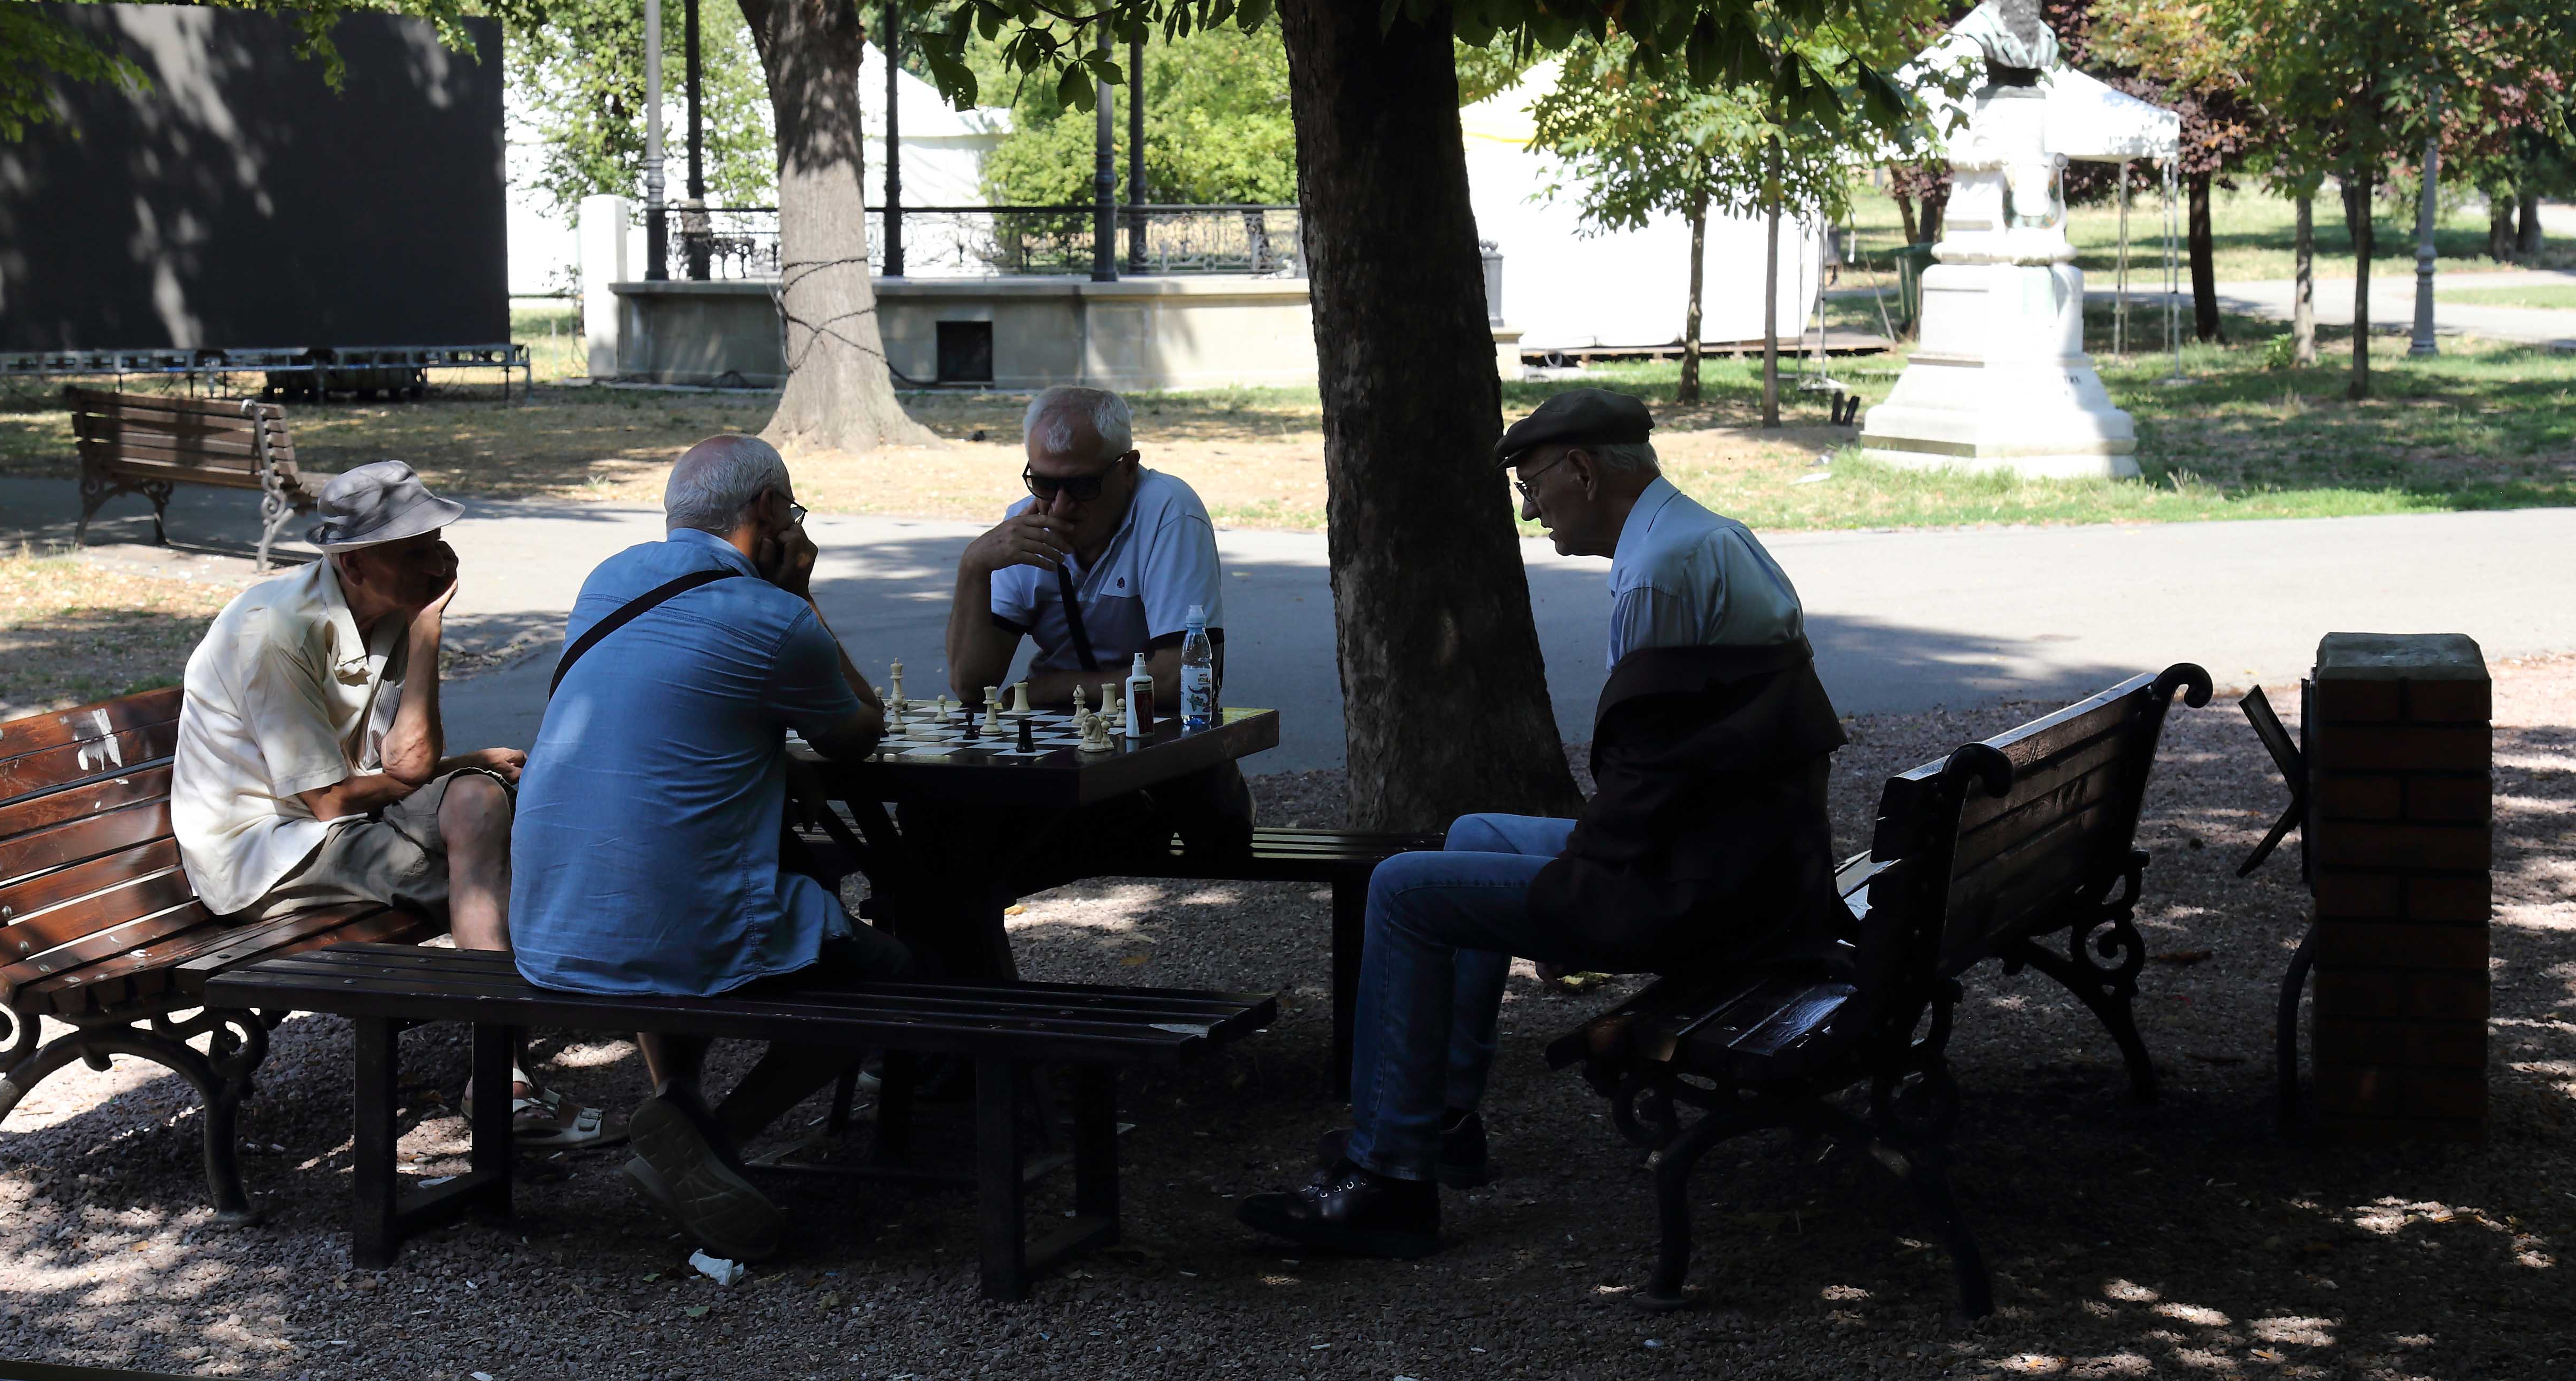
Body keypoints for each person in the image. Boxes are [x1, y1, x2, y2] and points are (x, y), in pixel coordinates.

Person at [1239, 389, 1848, 1257]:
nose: (1530, 508)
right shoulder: (1708, 535)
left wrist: (1578, 896)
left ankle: (1387, 1176)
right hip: (1748, 852)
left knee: (1403, 889)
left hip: (1711, 883)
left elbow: (1652, 782)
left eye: (1532, 484)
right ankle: (1440, 1116)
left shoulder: (1657, 573)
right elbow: (1686, 766)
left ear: (1583, 470)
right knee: (1474, 833)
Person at [511, 434, 901, 1260]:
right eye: (791, 511)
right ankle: (712, 1138)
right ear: (766, 513)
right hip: (664, 929)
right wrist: (804, 594)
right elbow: (858, 738)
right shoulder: (772, 617)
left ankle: (677, 1104)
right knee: (895, 976)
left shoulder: (608, 580)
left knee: (696, 883)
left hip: (549, 929)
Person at [170, 461, 604, 1148]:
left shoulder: (387, 614)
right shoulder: (276, 632)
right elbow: (330, 797)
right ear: (352, 563)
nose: (439, 564)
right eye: (415, 553)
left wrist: (426, 637)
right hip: (267, 853)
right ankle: (502, 1086)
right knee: (500, 838)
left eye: (435, 543)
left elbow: (405, 762)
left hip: (332, 825)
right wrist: (430, 629)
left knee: (489, 804)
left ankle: (502, 1076)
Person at [945, 384, 1223, 715]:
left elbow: (1184, 681)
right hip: (1057, 729)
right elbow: (970, 685)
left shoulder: (1170, 513)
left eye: (1082, 486)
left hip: (1153, 735)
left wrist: (1056, 687)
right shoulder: (1022, 528)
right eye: (1045, 484)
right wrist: (973, 568)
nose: (1061, 506)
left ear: (1128, 468)